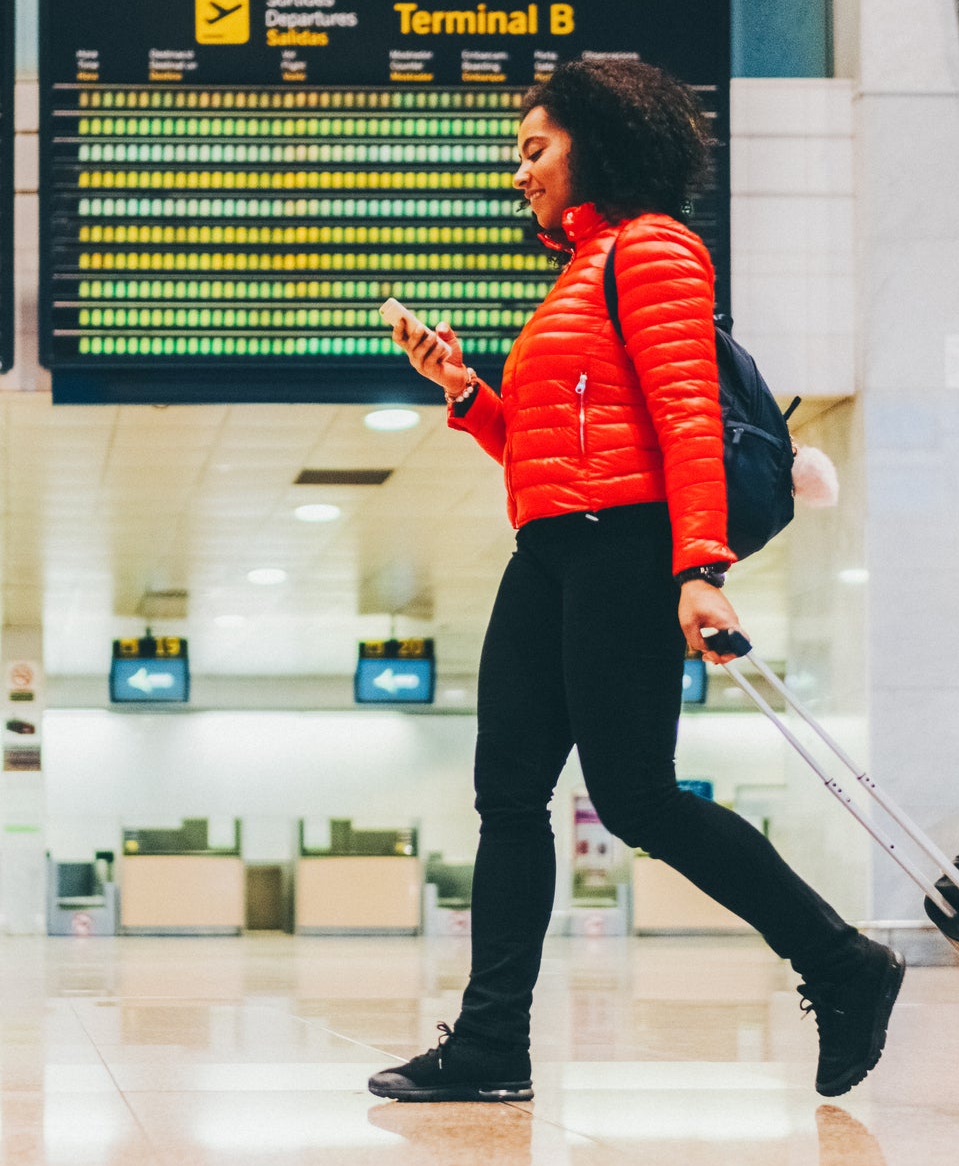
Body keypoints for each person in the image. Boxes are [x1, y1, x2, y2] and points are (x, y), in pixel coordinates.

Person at [367, 58, 902, 1105]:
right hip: (553, 547)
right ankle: (489, 1046)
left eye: (534, 150)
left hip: (625, 545)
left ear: (597, 141)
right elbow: (554, 450)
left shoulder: (655, 250)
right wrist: (466, 390)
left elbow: (685, 421)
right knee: (507, 796)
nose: (517, 172)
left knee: (636, 797)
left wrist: (699, 566)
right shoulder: (574, 274)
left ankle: (839, 960)